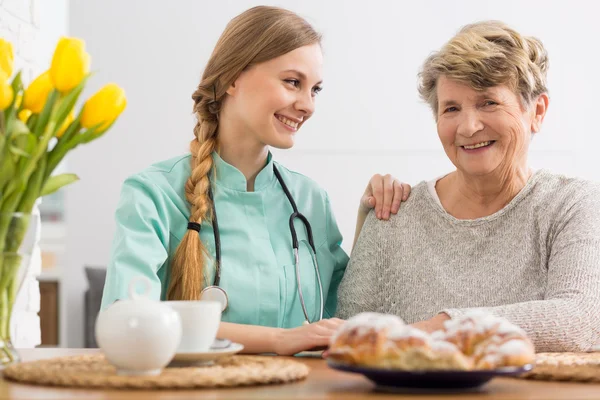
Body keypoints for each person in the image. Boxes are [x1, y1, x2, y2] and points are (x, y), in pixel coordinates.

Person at [101, 6, 409, 356]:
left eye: (316, 90)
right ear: (233, 76)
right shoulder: (153, 194)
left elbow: (345, 314)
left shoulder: (309, 200)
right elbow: (126, 316)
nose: (307, 104)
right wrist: (280, 340)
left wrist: (367, 216)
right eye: (293, 82)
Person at [337, 21, 600, 352]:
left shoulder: (573, 205)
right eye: (451, 108)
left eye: (488, 102)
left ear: (537, 111)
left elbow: (584, 319)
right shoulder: (393, 214)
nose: (469, 126)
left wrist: (445, 325)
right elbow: (347, 338)